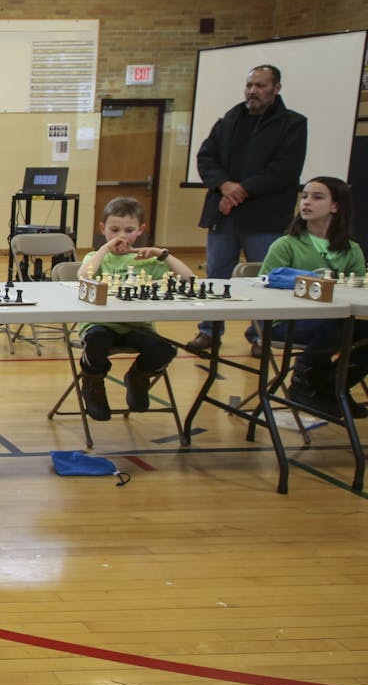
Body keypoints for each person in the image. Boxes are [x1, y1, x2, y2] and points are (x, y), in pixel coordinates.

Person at [186, 64, 307, 355]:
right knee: (217, 275)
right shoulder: (229, 120)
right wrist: (224, 186)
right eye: (250, 85)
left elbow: (284, 170)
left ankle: (260, 335)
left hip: (265, 217)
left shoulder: (292, 124)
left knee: (264, 278)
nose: (253, 91)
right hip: (223, 214)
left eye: (261, 85)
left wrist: (242, 190)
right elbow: (206, 158)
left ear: (276, 88)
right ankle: (210, 331)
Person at [259, 176, 368, 419]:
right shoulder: (285, 244)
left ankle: (334, 387)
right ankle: (302, 381)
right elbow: (263, 285)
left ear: (335, 206)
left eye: (317, 197)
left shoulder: (351, 250)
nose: (306, 202)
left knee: (354, 327)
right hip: (285, 323)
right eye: (305, 196)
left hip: (333, 322)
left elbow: (359, 290)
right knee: (339, 325)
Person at [76, 197, 191, 421]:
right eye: (114, 229)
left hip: (138, 327)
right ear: (102, 229)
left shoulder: (147, 261)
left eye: (129, 230)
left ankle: (138, 377)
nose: (121, 235)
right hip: (100, 326)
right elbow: (83, 277)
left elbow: (188, 279)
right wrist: (105, 248)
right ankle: (93, 383)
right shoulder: (97, 257)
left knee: (166, 349)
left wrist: (162, 254)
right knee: (95, 341)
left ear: (141, 230)